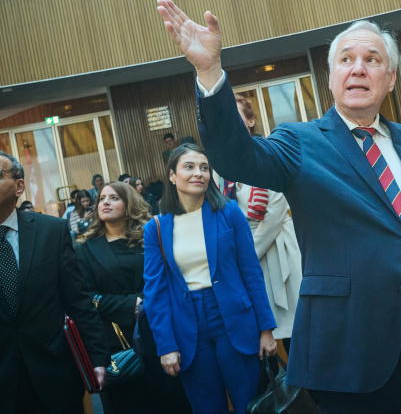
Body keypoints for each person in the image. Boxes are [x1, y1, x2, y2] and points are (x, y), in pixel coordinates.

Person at [156, 0, 401, 414]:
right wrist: (209, 73)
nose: (358, 68)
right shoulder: (300, 142)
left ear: (391, 78)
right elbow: (234, 156)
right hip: (346, 358)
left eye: (372, 59)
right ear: (331, 77)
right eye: (346, 59)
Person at [143, 144, 278, 414]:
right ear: (172, 175)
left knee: (249, 404)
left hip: (235, 319)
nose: (199, 173)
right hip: (188, 326)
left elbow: (251, 272)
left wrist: (266, 329)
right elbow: (155, 293)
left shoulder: (229, 212)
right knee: (206, 407)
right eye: (189, 167)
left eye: (204, 168)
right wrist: (166, 345)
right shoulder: (156, 227)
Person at [0, 150, 109, 413]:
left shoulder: (51, 231)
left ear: (19, 186)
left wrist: (96, 356)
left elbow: (77, 299)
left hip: (54, 372)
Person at [75, 181, 191, 414]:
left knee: (172, 402)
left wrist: (148, 302)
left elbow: (169, 279)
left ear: (130, 205)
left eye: (114, 198)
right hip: (117, 342)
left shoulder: (151, 236)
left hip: (161, 334)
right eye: (102, 199)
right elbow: (86, 296)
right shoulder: (85, 247)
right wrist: (130, 305)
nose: (105, 202)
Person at [218, 94, 302, 354]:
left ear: (251, 120)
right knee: (260, 333)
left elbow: (276, 213)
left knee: (293, 328)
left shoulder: (269, 155)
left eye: (237, 117)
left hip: (275, 246)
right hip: (244, 253)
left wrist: (243, 259)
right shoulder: (220, 167)